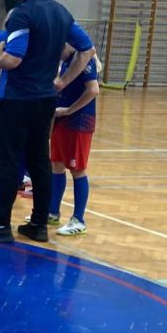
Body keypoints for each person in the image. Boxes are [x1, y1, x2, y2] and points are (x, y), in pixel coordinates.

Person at [0, 0, 93, 244]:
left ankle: (0, 224)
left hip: (17, 99)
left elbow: (13, 58)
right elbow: (87, 49)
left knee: (8, 161)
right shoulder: (61, 12)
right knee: (39, 161)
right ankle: (38, 224)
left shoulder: (22, 14)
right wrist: (62, 81)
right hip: (45, 100)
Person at [49, 43, 100, 234]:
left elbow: (93, 90)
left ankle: (79, 220)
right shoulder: (66, 61)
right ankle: (52, 212)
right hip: (62, 120)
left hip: (79, 121)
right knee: (57, 164)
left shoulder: (84, 60)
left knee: (77, 169)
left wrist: (70, 110)